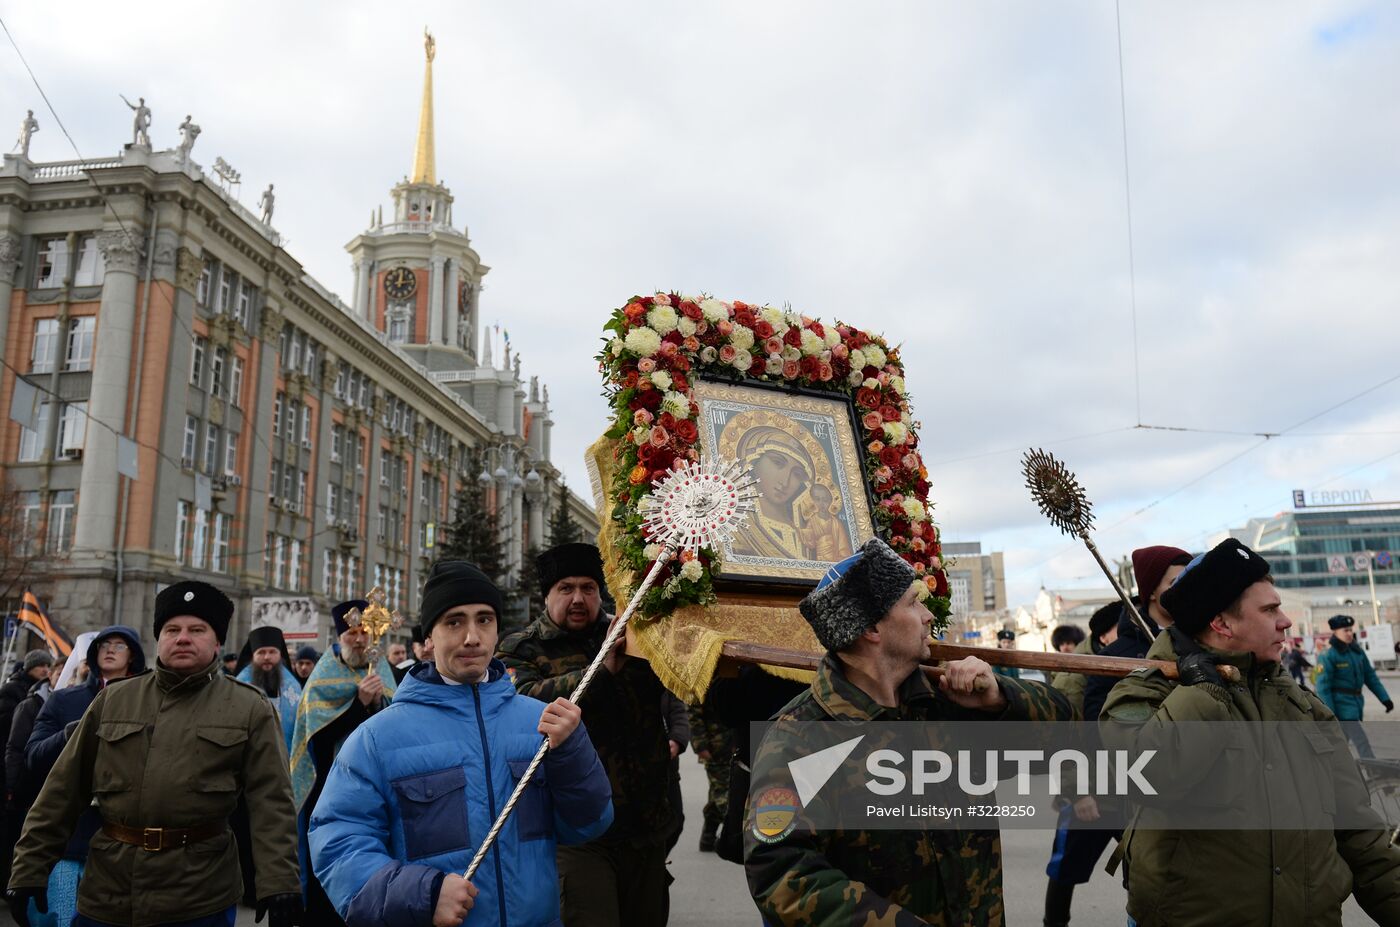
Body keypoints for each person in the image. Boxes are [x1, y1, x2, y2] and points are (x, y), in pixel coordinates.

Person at [745, 538, 1075, 924]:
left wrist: (1001, 699)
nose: (928, 615)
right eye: (913, 602)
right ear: (871, 628)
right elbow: (779, 873)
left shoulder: (948, 704)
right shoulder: (800, 739)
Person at [1100, 539, 1400, 925]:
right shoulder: (1147, 693)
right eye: (1270, 609)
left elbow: (1361, 836)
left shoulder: (1303, 707)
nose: (1285, 621)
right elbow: (1146, 776)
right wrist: (1203, 694)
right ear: (1221, 623)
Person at [309, 560, 613, 926]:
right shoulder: (377, 739)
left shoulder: (541, 722)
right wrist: (422, 895)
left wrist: (572, 752)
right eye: (454, 622)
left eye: (484, 619)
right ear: (429, 638)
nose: (472, 637)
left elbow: (589, 824)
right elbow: (338, 845)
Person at [7, 581, 302, 927]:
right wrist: (29, 867)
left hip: (199, 895)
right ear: (158, 639)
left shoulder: (249, 707)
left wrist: (279, 881)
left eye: (197, 630)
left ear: (218, 641)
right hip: (109, 891)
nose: (183, 638)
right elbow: (62, 790)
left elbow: (272, 803)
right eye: (172, 629)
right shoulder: (114, 700)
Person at [497, 542, 677, 927]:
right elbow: (525, 708)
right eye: (566, 588)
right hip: (578, 836)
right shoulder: (521, 648)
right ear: (547, 595)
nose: (578, 598)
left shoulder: (634, 636)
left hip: (647, 826)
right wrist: (602, 667)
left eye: (588, 588)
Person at [290, 600, 398, 926]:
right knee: (330, 863)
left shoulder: (381, 671)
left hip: (375, 785)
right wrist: (358, 704)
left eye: (365, 633)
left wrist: (379, 702)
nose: (359, 640)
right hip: (329, 787)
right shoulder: (325, 672)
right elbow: (316, 739)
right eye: (352, 633)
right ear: (340, 636)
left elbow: (396, 724)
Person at [1042, 601, 1124, 927]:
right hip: (1089, 792)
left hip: (1130, 787)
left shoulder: (1132, 657)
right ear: (1105, 636)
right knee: (1066, 868)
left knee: (1146, 865)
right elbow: (1059, 740)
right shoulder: (1073, 676)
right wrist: (1076, 793)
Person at [1082, 545, 1191, 724]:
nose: (1186, 588)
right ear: (1152, 592)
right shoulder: (1112, 657)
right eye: (1174, 582)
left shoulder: (1207, 638)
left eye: (1189, 579)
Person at [1316, 614, 1392, 758]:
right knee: (1360, 739)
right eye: (1346, 630)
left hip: (1356, 704)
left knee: (1340, 743)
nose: (1350, 633)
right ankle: (1374, 771)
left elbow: (1370, 677)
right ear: (1335, 632)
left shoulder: (1357, 652)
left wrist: (1385, 699)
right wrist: (1331, 714)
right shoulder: (1328, 655)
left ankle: (1332, 771)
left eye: (1351, 630)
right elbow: (1323, 688)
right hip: (1341, 707)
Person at [234, 626, 300, 754]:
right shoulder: (239, 684)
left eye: (272, 652)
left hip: (286, 754)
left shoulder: (293, 686)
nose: (267, 657)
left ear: (280, 654)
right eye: (261, 652)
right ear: (253, 656)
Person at [688, 700, 732, 853]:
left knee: (719, 791)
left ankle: (708, 836)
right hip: (716, 746)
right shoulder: (704, 677)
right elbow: (693, 713)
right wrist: (700, 744)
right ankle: (734, 839)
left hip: (737, 741)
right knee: (724, 793)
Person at [0, 652, 53, 752]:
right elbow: (5, 722)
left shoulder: (45, 689)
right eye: (41, 665)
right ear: (30, 667)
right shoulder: (11, 688)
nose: (46, 670)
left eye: (48, 666)